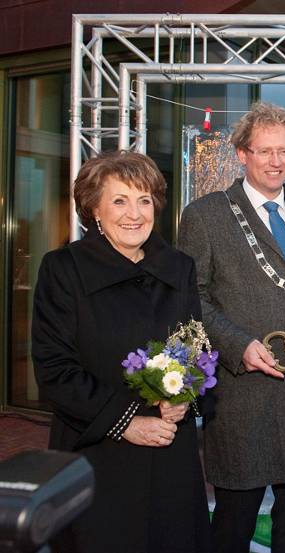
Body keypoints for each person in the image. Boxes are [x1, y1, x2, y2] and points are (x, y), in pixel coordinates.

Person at [178, 101, 285, 553]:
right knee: (233, 526)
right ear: (242, 154)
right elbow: (191, 296)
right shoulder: (206, 215)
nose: (276, 162)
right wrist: (238, 345)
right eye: (264, 151)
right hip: (243, 397)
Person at [32, 151, 212, 553]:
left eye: (144, 200)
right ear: (94, 208)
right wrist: (127, 422)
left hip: (170, 458)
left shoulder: (179, 266)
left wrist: (186, 399)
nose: (135, 214)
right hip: (97, 456)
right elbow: (54, 369)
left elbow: (195, 347)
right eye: (119, 200)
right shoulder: (63, 269)